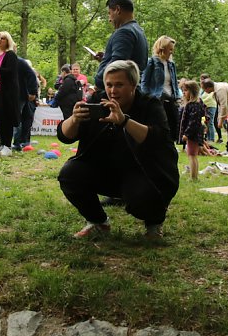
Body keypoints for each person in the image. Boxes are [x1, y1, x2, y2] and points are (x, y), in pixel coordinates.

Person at [58, 60, 179, 239]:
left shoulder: (149, 104)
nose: (113, 90)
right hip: (104, 170)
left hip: (142, 173)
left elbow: (158, 139)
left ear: (133, 85)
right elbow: (64, 136)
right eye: (109, 85)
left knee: (145, 196)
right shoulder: (98, 101)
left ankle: (154, 222)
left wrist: (124, 121)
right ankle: (98, 222)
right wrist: (74, 119)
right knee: (69, 174)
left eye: (119, 85)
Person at [92, 0, 148, 93]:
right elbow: (127, 61)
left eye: (109, 13)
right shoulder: (138, 30)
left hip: (118, 96)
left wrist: (98, 80)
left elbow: (117, 66)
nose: (109, 19)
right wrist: (106, 58)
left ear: (117, 9)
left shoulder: (124, 32)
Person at [139, 35, 182, 142]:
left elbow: (174, 83)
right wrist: (147, 98)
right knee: (159, 125)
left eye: (172, 49)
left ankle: (170, 145)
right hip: (157, 99)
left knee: (173, 125)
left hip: (171, 99)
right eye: (170, 49)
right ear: (162, 48)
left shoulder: (171, 64)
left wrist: (177, 97)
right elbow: (144, 82)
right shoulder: (152, 62)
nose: (171, 52)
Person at [179, 80, 206, 181]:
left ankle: (193, 177)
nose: (184, 93)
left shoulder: (193, 105)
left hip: (193, 134)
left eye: (185, 90)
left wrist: (187, 134)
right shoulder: (197, 104)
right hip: (196, 134)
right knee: (193, 155)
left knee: (192, 155)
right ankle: (194, 176)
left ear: (192, 91)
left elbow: (193, 122)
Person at [15, 57, 39, 149]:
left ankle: (23, 141)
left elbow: (36, 86)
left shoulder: (31, 74)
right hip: (24, 97)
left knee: (26, 120)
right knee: (23, 119)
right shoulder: (21, 74)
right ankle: (22, 141)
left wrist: (33, 94)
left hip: (28, 99)